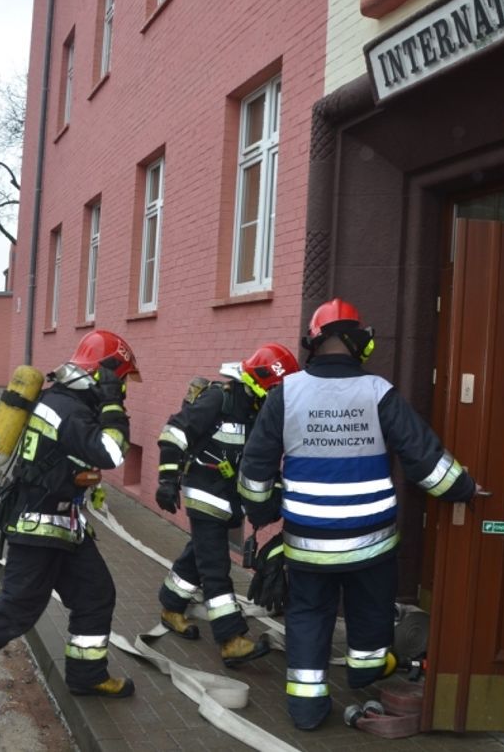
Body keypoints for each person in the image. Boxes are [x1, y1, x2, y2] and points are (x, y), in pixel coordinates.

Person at [237, 298, 480, 731]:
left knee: (308, 615)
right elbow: (423, 458)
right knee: (370, 612)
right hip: (372, 543)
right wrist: (463, 489)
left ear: (314, 344)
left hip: (308, 542)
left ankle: (306, 709)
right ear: (359, 343)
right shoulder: (378, 392)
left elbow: (254, 469)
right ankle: (365, 673)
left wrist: (264, 510)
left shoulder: (285, 394)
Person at [0, 329, 140, 726]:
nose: (124, 388)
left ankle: (86, 675)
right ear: (105, 375)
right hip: (39, 523)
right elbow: (110, 452)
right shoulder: (69, 409)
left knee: (95, 595)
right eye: (121, 379)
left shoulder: (66, 402)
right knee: (18, 608)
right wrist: (112, 406)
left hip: (64, 523)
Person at [155, 343, 299, 668]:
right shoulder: (219, 398)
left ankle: (170, 605)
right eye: (278, 391)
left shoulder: (258, 412)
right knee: (215, 568)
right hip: (204, 494)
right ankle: (231, 639)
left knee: (199, 555)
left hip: (227, 500)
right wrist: (167, 479)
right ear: (262, 383)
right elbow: (175, 431)